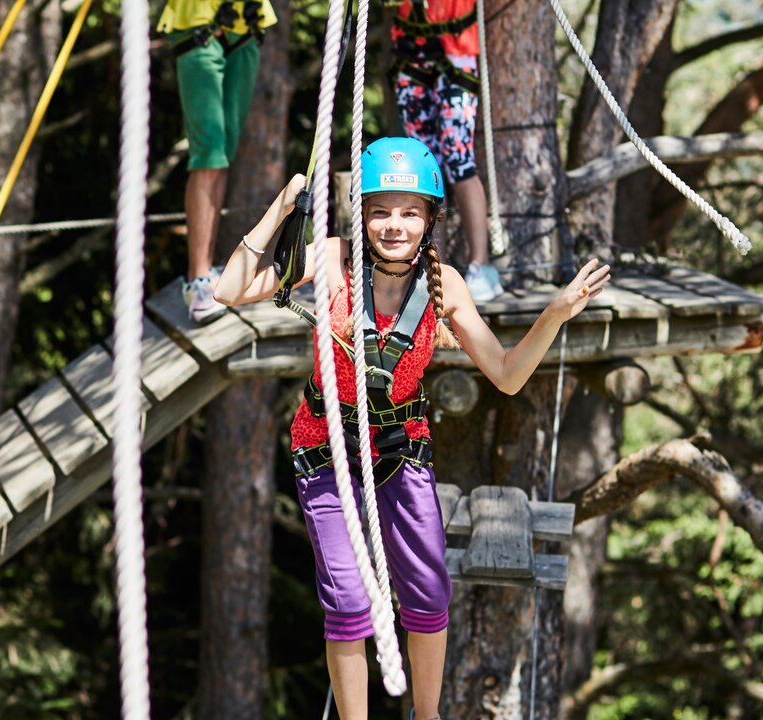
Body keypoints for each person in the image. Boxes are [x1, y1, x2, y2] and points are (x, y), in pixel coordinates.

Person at [211, 137, 609, 720]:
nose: (394, 225)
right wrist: (282, 208)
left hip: (400, 450)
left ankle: (428, 715)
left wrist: (553, 314)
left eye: (409, 211)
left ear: (430, 218)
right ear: (362, 214)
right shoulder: (332, 260)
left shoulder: (444, 285)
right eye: (380, 211)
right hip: (327, 450)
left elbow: (506, 375)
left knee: (428, 591)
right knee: (349, 602)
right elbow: (227, 290)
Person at [157, 0, 276, 323]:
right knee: (208, 156)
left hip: (246, 26)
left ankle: (206, 271)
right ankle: (197, 280)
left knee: (222, 157)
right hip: (198, 24)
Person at [390, 0, 503, 301]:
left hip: (456, 52)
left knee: (458, 161)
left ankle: (481, 265)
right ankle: (433, 268)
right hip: (411, 54)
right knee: (426, 166)